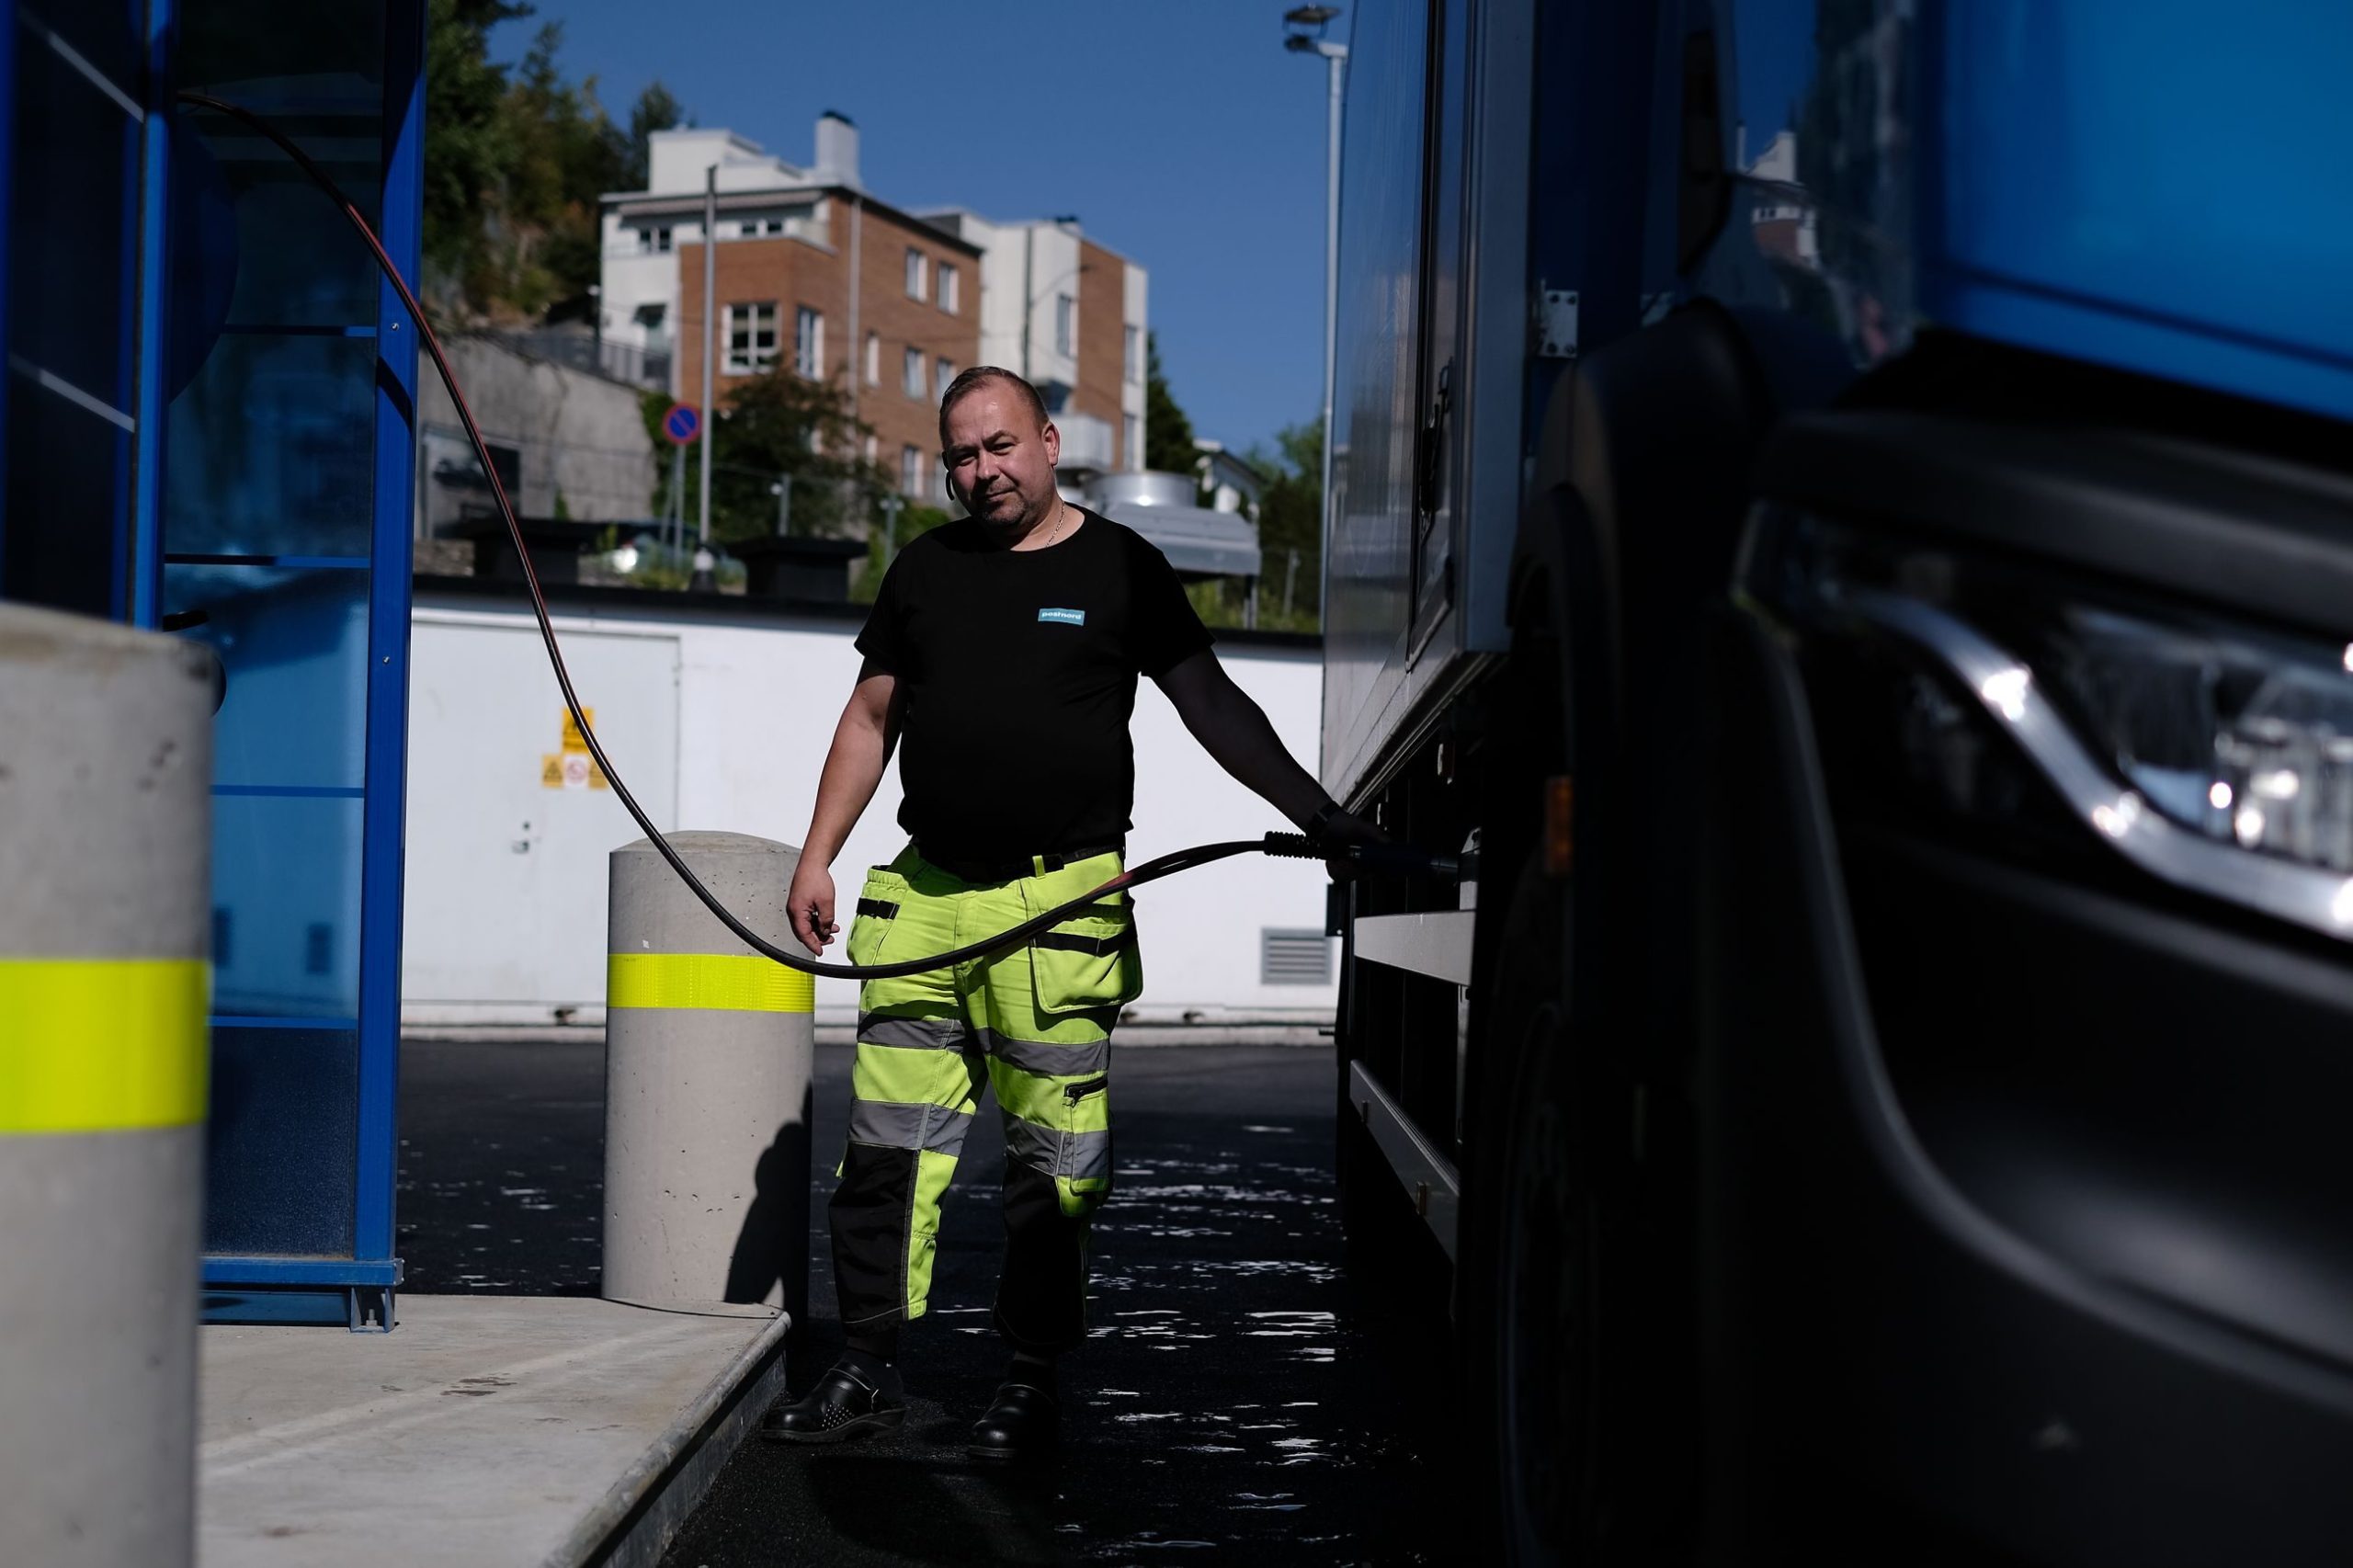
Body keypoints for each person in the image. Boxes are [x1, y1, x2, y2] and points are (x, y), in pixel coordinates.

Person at [758, 366, 1377, 1460]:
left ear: (1048, 442)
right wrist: (818, 858)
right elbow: (868, 718)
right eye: (960, 454)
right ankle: (867, 1362)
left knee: (1053, 1166)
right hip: (927, 898)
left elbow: (1211, 703)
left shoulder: (1121, 567)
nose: (981, 472)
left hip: (1059, 906)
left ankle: (1031, 1379)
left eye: (999, 447)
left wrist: (1319, 812)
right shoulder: (924, 569)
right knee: (886, 1155)